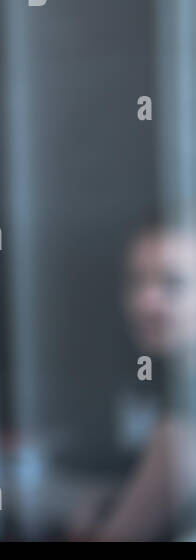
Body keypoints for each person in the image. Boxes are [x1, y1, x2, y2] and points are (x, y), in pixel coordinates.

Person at [66, 217, 196, 541]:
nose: (146, 301)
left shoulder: (183, 429)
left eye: (172, 283)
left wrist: (84, 529)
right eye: (137, 281)